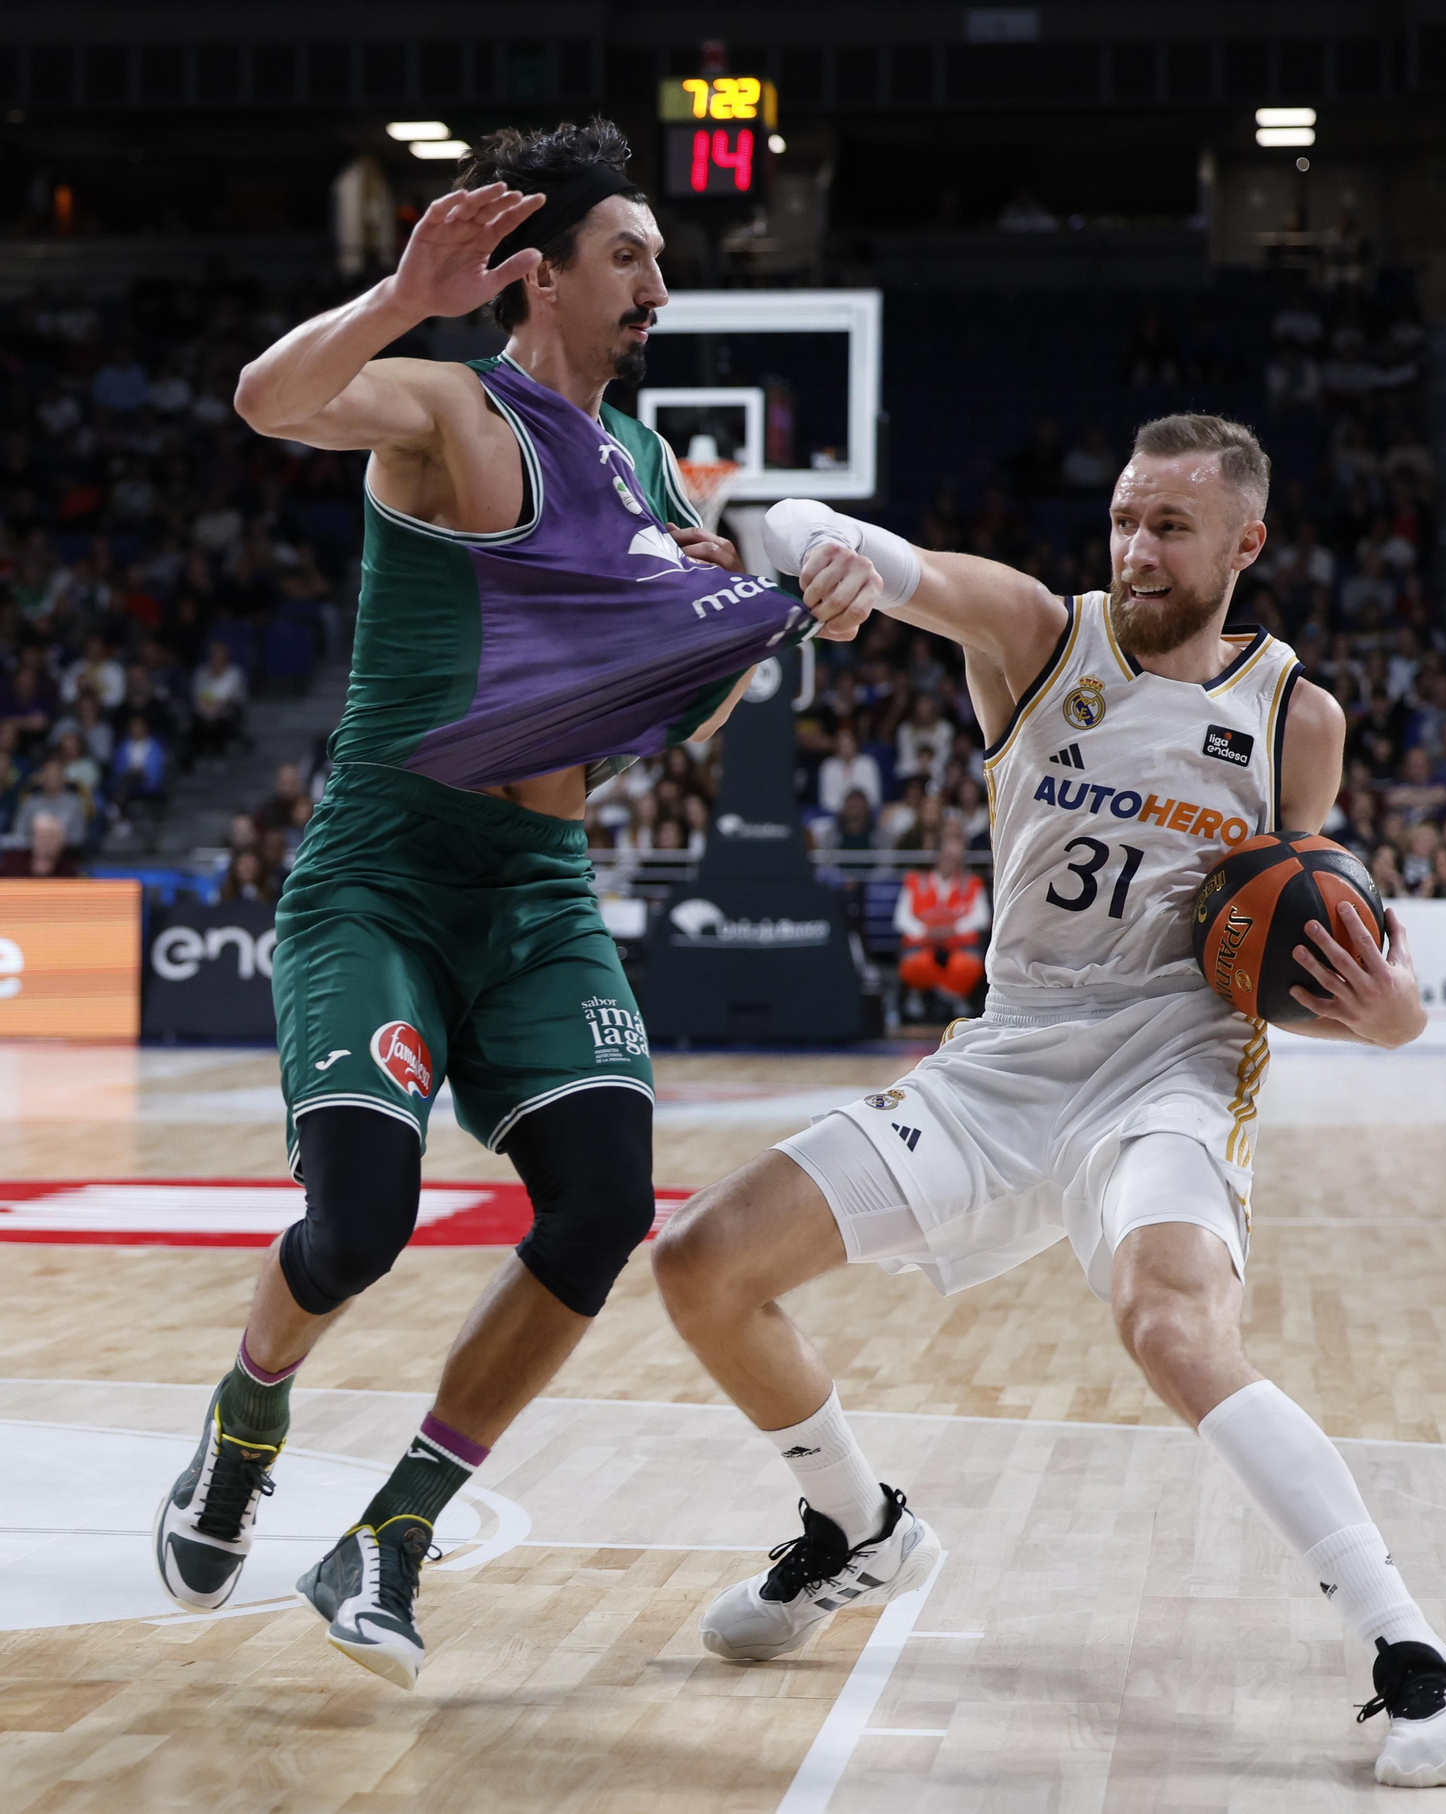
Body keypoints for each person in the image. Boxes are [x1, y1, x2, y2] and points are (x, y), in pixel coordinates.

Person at [652, 414, 1446, 1790]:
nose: (1135, 547)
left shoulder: (1298, 716)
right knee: (702, 1264)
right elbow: (852, 545)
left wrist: (1396, 1016)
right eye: (1126, 517)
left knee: (1168, 1319)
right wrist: (801, 545)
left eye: (1171, 526)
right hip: (1004, 1064)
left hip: (1169, 1066)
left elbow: (1350, 950)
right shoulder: (1034, 634)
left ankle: (1422, 1657)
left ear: (1246, 542)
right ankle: (856, 1523)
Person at [152, 117, 841, 1688]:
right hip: (384, 877)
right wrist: (403, 293)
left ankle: (390, 1532)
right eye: (632, 254)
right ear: (543, 275)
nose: (661, 279)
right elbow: (272, 401)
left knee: (600, 1207)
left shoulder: (660, 467)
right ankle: (246, 1416)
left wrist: (728, 647)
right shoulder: (458, 408)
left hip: (537, 889)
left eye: (666, 256)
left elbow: (668, 727)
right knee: (359, 1225)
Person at [895, 825, 989, 1011]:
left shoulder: (972, 883)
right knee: (914, 965)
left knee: (967, 966)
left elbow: (981, 918)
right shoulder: (915, 881)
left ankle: (944, 997)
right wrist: (926, 931)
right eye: (948, 857)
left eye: (956, 859)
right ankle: (945, 998)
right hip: (923, 943)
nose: (952, 863)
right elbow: (901, 919)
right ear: (938, 857)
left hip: (959, 945)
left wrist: (954, 929)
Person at [0, 811, 78, 878]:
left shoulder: (69, 870)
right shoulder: (13, 862)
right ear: (32, 838)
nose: (45, 842)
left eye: (51, 837)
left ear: (61, 840)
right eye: (41, 836)